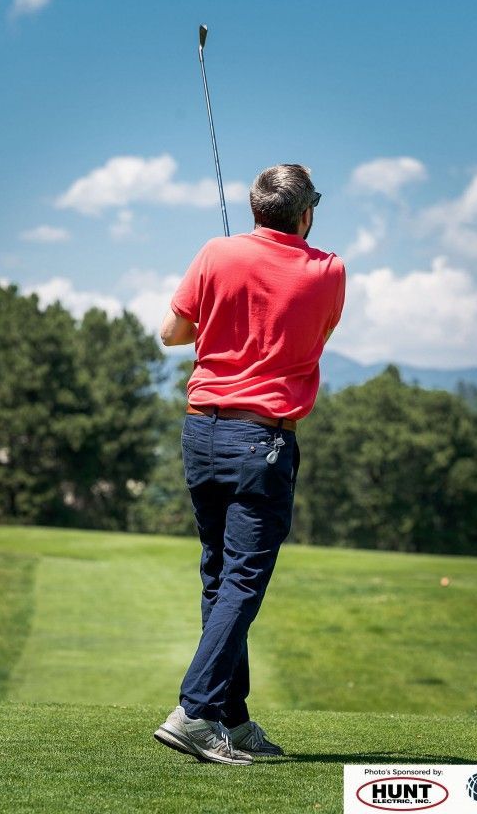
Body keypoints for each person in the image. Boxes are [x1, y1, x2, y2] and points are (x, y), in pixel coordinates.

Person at [154, 164, 346, 765]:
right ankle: (193, 712)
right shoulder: (329, 270)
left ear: (256, 209)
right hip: (262, 441)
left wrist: (223, 301)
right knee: (242, 581)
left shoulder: (215, 252)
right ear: (307, 213)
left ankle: (232, 723)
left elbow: (171, 332)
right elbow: (312, 336)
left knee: (219, 578)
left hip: (202, 433)